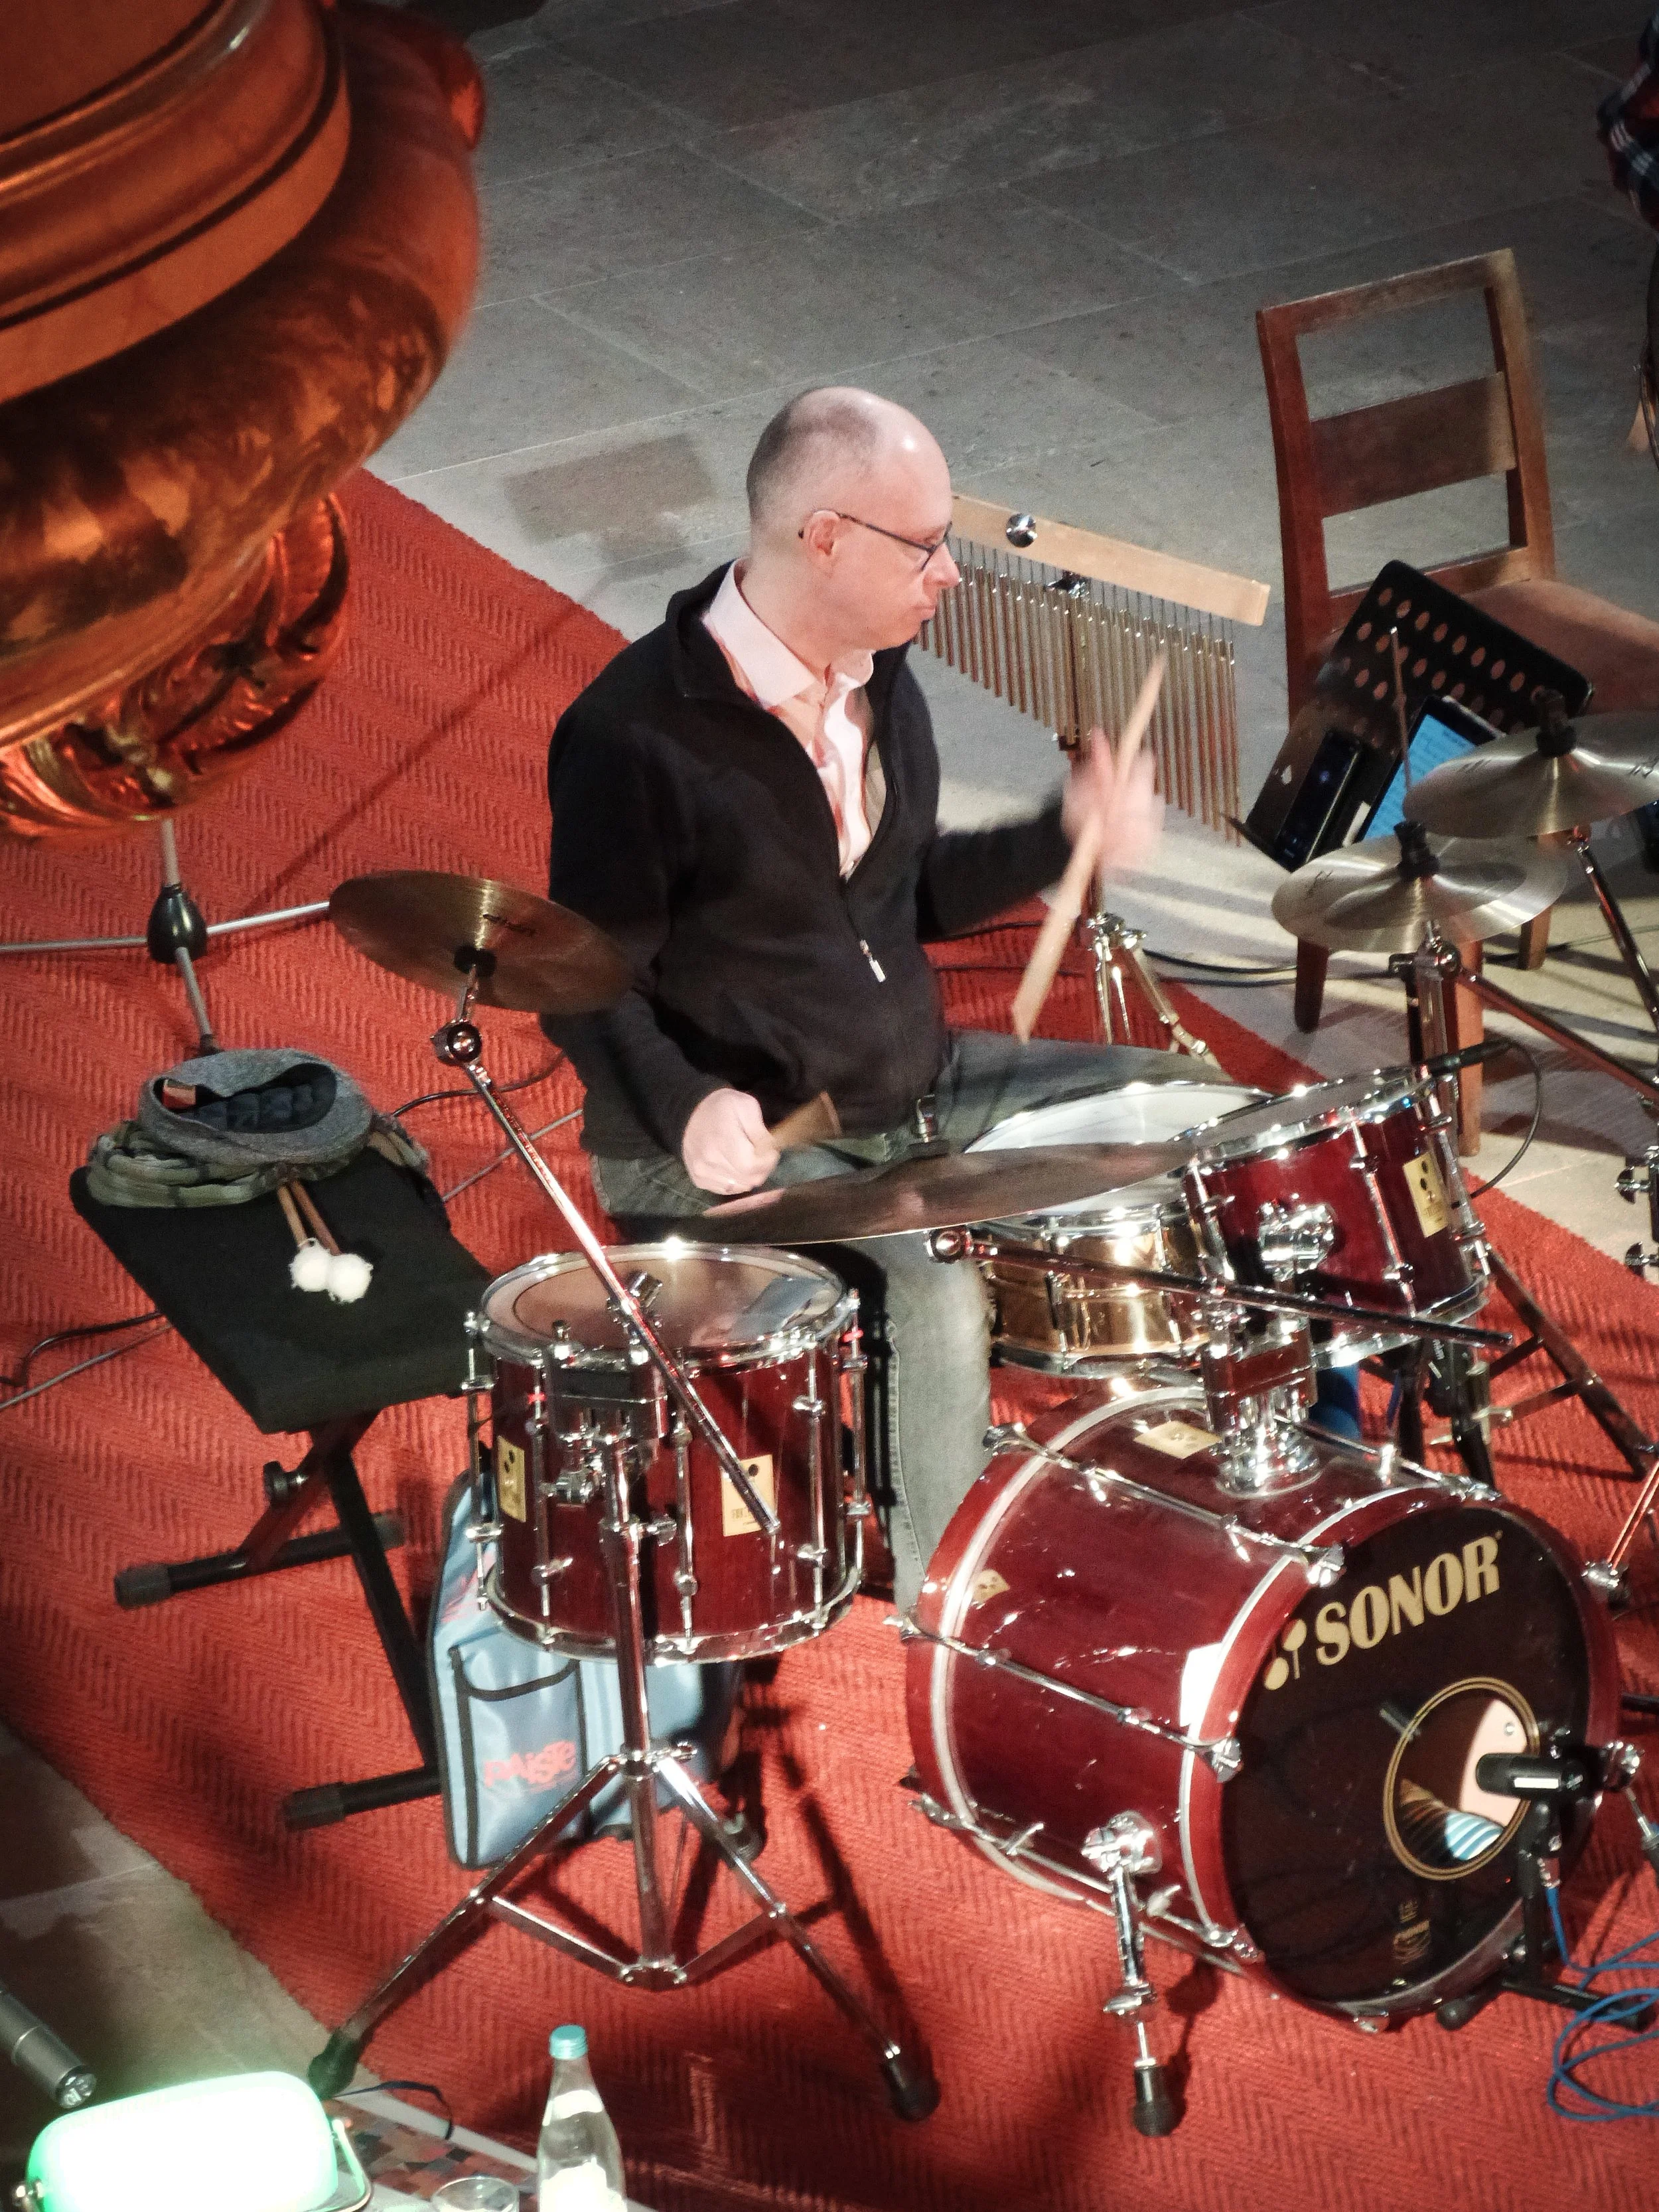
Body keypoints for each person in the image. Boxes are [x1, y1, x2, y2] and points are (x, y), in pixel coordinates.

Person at [543, 386, 1234, 1607]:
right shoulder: (633, 735)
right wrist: (688, 1101)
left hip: (913, 1085)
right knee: (935, 1295)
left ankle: (1223, 1477)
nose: (952, 574)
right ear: (826, 539)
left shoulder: (876, 675)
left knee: (1199, 1107)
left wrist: (1055, 835)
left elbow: (895, 898)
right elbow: (581, 978)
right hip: (719, 1143)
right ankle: (947, 1607)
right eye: (926, 545)